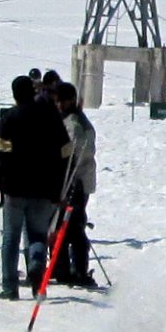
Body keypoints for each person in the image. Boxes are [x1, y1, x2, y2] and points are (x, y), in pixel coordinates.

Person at [0, 75, 70, 300]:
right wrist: (59, 184)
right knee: (37, 235)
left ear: (15, 95)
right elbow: (66, 151)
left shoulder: (10, 118)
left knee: (11, 238)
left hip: (15, 188)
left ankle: (9, 287)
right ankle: (35, 264)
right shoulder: (51, 117)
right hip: (44, 188)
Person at [51, 82, 98, 287]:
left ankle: (76, 269)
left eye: (60, 101)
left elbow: (72, 156)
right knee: (68, 226)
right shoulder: (76, 120)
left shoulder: (73, 124)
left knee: (71, 227)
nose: (58, 105)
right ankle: (63, 267)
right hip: (79, 181)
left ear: (69, 100)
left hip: (73, 182)